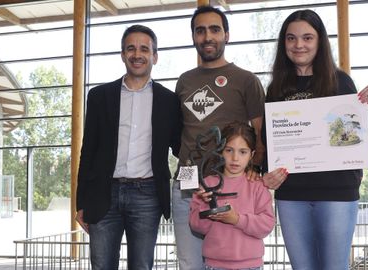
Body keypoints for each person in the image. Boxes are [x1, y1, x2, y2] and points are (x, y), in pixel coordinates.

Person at [261, 10, 368, 270]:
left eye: (307, 37)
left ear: (320, 41)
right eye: (291, 38)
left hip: (337, 194)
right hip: (291, 195)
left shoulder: (340, 81)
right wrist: (267, 172)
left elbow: (358, 139)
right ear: (283, 43)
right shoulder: (275, 89)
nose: (299, 45)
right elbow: (270, 139)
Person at [75, 24, 182, 270]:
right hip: (104, 195)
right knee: (101, 265)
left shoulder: (169, 101)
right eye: (131, 48)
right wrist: (81, 201)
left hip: (148, 196)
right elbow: (88, 151)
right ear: (123, 54)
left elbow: (181, 146)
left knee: (142, 266)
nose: (137, 54)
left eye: (144, 49)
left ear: (154, 56)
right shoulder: (99, 96)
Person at [173, 5, 266, 269]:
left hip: (232, 187)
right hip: (188, 186)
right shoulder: (184, 81)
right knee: (189, 263)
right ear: (193, 37)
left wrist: (255, 169)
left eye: (215, 29)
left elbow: (259, 135)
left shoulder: (246, 80)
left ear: (227, 34)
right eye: (200, 31)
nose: (207, 37)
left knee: (230, 262)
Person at [189, 122, 275, 270]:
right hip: (214, 265)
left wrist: (237, 219)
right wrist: (206, 205)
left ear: (251, 155)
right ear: (220, 151)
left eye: (243, 152)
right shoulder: (207, 185)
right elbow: (197, 226)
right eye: (229, 150)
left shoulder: (257, 186)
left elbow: (266, 225)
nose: (235, 158)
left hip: (251, 265)